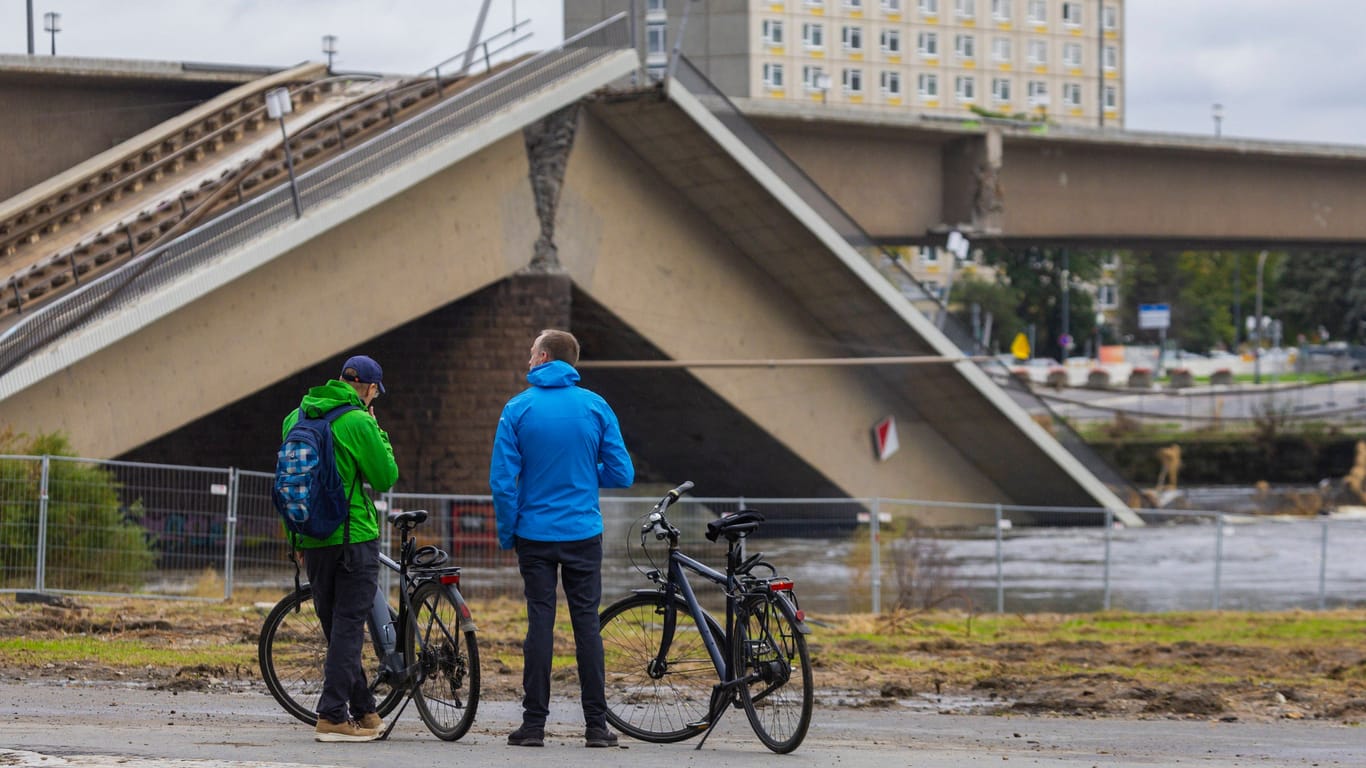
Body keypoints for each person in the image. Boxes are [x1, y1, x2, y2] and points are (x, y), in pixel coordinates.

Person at [490, 329, 634, 748]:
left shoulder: (518, 408)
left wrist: (507, 533)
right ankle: (595, 726)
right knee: (587, 625)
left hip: (533, 534)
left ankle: (534, 725)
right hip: (583, 533)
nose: (528, 358)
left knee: (540, 623)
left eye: (532, 352)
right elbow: (622, 474)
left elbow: (502, 482)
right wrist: (587, 476)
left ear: (545, 355)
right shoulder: (595, 406)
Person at [281, 355, 399, 742]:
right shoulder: (359, 421)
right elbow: (385, 477)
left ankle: (364, 711)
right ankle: (332, 714)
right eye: (375, 392)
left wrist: (296, 539)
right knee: (349, 629)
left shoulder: (295, 418)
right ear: (367, 388)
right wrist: (377, 431)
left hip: (312, 539)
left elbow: (289, 484)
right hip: (353, 538)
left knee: (338, 631)